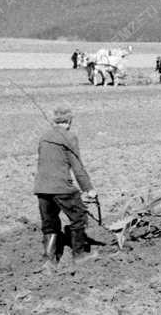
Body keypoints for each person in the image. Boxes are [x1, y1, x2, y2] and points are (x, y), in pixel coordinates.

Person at [34, 106, 99, 269]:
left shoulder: (44, 137)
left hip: (41, 187)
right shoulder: (69, 137)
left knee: (49, 224)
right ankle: (80, 255)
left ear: (54, 121)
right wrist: (88, 189)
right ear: (69, 121)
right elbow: (77, 167)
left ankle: (49, 260)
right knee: (79, 216)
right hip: (61, 187)